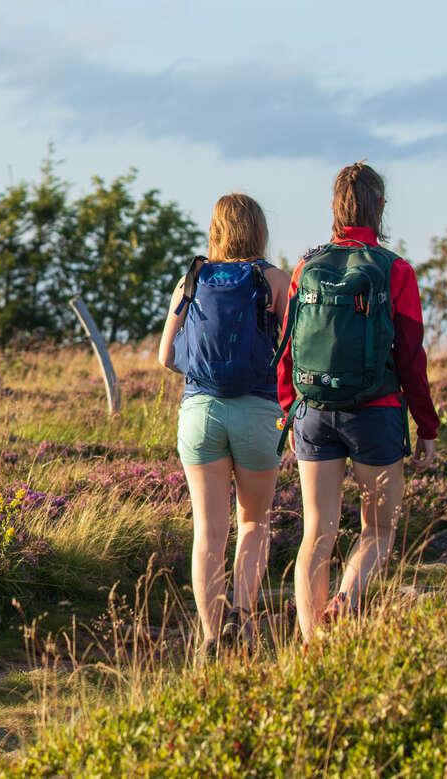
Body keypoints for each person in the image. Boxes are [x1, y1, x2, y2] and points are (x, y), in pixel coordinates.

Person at [276, 162, 438, 641]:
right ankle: (346, 599)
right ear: (380, 207)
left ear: (335, 209)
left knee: (316, 534)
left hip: (313, 411)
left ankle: (311, 645)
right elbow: (411, 354)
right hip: (377, 412)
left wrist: (290, 406)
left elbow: (287, 345)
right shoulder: (396, 270)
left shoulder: (306, 266)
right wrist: (426, 425)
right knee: (378, 531)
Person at [158, 193, 289, 655]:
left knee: (208, 531)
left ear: (216, 229)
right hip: (258, 412)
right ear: (258, 229)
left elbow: (164, 355)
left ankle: (212, 637)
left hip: (200, 412)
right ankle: (244, 621)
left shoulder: (190, 278)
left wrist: (202, 376)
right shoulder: (274, 279)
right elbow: (290, 353)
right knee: (253, 522)